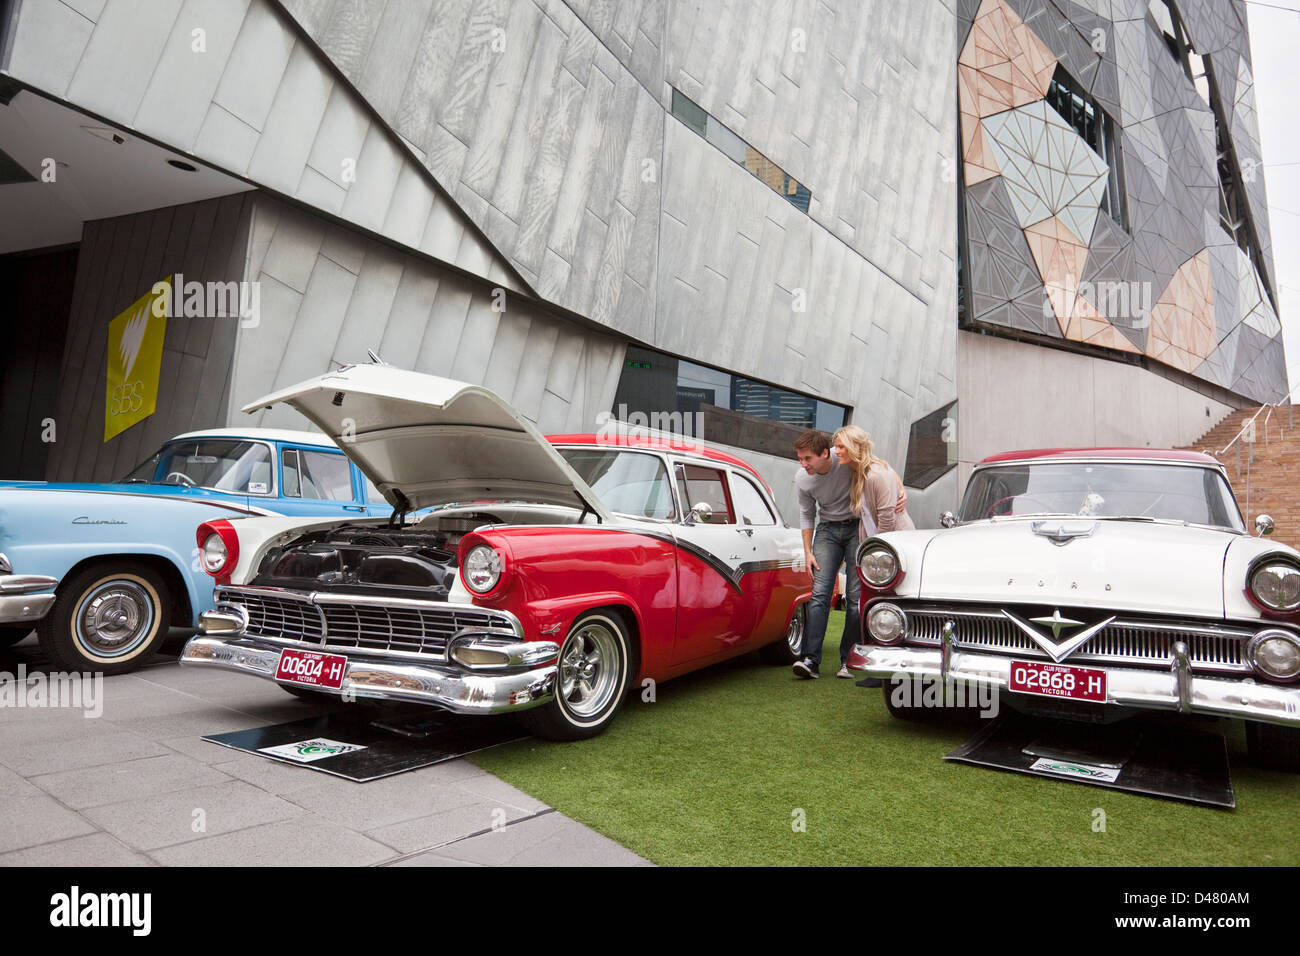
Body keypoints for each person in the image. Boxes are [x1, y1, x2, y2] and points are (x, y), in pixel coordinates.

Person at [792, 429, 905, 680]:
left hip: (856, 528)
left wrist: (901, 488)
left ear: (825, 454)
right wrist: (808, 551)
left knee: (855, 597)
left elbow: (883, 468)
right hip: (827, 530)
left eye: (807, 458)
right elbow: (806, 514)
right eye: (800, 458)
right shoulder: (803, 479)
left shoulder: (844, 457)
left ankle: (848, 659)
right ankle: (810, 659)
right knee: (820, 594)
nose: (803, 464)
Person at [833, 426, 915, 540]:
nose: (836, 451)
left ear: (856, 447)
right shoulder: (859, 474)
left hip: (897, 543)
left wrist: (877, 547)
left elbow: (887, 519)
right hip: (878, 543)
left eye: (841, 447)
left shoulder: (877, 475)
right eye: (836, 446)